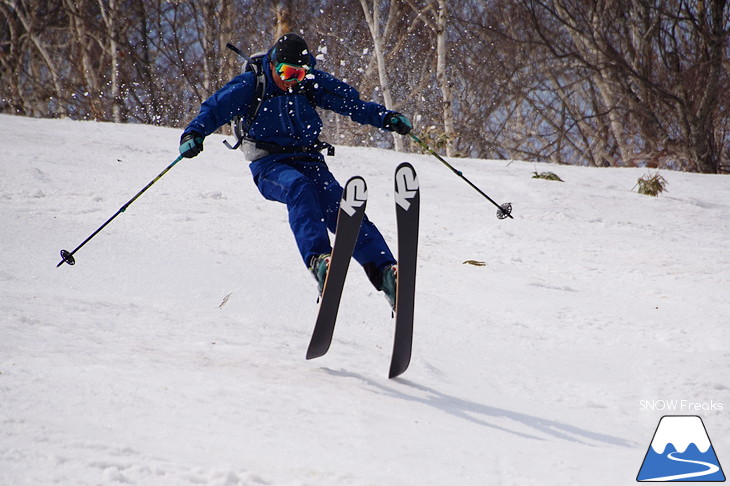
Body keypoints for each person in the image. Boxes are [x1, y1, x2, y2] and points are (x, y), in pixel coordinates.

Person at [179, 33, 412, 308]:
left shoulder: (307, 84)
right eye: (287, 72)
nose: (292, 80)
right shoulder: (252, 84)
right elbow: (215, 108)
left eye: (300, 74)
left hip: (310, 159)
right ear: (273, 64)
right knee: (299, 188)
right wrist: (193, 133)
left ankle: (386, 273)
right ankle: (320, 262)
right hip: (269, 165)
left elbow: (351, 104)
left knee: (344, 209)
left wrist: (386, 118)